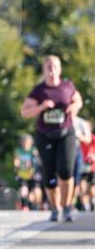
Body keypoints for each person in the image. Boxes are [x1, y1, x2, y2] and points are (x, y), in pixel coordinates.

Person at [20, 55, 83, 223]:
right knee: (49, 175)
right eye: (48, 66)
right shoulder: (39, 91)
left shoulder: (67, 87)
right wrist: (41, 106)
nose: (51, 69)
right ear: (44, 70)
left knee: (65, 171)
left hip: (65, 134)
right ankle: (55, 209)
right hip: (45, 136)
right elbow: (24, 111)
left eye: (54, 66)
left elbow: (78, 100)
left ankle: (67, 207)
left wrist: (74, 106)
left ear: (60, 69)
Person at [13, 134, 39, 211]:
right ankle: (25, 206)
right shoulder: (18, 151)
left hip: (32, 175)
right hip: (22, 175)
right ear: (21, 142)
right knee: (23, 190)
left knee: (33, 193)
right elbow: (16, 161)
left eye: (27, 142)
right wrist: (16, 166)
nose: (25, 144)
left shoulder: (33, 150)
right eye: (24, 142)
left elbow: (37, 161)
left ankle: (31, 206)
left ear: (31, 143)